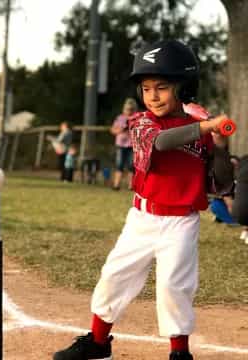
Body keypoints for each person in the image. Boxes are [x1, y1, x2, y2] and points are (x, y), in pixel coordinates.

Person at [53, 40, 235, 360]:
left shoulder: (202, 130)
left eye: (162, 87)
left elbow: (221, 181)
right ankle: (98, 342)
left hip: (181, 221)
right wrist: (205, 125)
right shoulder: (141, 123)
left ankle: (179, 352)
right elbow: (163, 142)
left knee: (173, 286)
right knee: (115, 275)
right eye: (146, 88)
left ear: (184, 87)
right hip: (143, 217)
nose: (152, 95)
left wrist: (219, 145)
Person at [110, 98, 137, 190]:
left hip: (133, 145)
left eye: (131, 109)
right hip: (121, 145)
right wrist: (121, 129)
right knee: (119, 165)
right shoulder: (120, 118)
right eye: (127, 109)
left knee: (132, 166)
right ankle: (116, 185)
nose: (129, 111)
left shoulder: (137, 118)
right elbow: (113, 130)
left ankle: (131, 185)